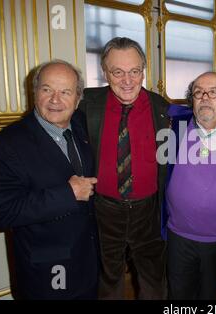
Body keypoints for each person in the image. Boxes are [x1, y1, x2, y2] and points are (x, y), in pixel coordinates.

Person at [0, 60, 99, 299]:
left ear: (78, 99)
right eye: (47, 89)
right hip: (47, 272)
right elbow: (1, 212)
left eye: (65, 92)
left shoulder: (80, 126)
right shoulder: (4, 146)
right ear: (34, 92)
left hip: (87, 261)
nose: (55, 100)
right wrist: (68, 194)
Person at [78, 37, 168, 299]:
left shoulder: (162, 108)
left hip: (149, 210)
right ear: (105, 72)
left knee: (153, 278)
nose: (127, 81)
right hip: (104, 209)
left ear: (143, 70)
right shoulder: (86, 105)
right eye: (118, 72)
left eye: (134, 71)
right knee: (108, 277)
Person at [161, 72, 216, 299]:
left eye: (214, 92)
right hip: (177, 234)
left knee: (209, 294)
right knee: (177, 294)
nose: (205, 97)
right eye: (199, 92)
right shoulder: (174, 128)